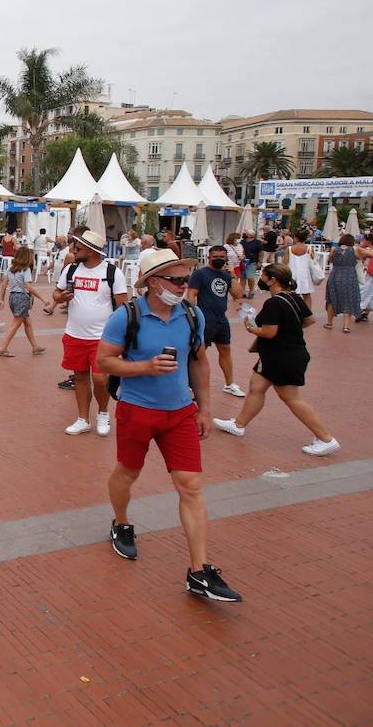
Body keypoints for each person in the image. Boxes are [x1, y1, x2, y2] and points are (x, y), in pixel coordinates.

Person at [97, 248, 240, 601]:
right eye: (174, 280)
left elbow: (200, 363)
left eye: (184, 279)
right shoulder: (125, 316)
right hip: (136, 410)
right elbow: (103, 362)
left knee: (190, 485)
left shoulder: (192, 315)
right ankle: (121, 521)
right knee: (127, 473)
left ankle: (199, 571)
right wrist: (144, 367)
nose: (182, 286)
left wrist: (204, 408)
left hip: (180, 413)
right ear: (151, 282)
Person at [211, 263, 338, 456]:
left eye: (263, 276)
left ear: (272, 280)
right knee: (257, 386)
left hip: (283, 356)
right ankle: (239, 424)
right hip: (280, 354)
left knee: (291, 398)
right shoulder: (293, 297)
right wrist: (291, 329)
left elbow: (269, 332)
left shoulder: (274, 303)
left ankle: (325, 438)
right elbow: (310, 319)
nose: (261, 279)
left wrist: (251, 329)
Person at [55, 229, 128, 436]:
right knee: (79, 377)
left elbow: (123, 307)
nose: (73, 249)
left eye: (77, 246)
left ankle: (103, 414)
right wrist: (60, 298)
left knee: (100, 379)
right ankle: (82, 419)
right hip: (74, 333)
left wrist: (121, 337)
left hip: (102, 337)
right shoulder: (71, 269)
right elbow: (57, 293)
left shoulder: (112, 273)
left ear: (91, 250)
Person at [187, 245, 247, 399]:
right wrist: (193, 316)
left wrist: (232, 275)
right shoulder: (200, 274)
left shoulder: (226, 276)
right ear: (209, 257)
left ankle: (230, 383)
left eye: (222, 257)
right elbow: (191, 294)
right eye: (216, 257)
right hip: (205, 319)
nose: (219, 259)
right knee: (198, 353)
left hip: (221, 319)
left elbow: (238, 294)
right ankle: (189, 385)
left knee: (225, 349)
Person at [0, 246, 50, 357]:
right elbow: (29, 287)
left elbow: (4, 284)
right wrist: (43, 299)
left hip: (12, 297)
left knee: (27, 322)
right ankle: (2, 348)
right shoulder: (26, 269)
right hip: (22, 298)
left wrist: (2, 299)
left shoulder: (10, 268)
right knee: (15, 324)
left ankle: (35, 347)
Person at [324, 233, 361, 333]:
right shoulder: (355, 250)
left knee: (331, 299)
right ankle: (346, 326)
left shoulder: (333, 250)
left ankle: (329, 323)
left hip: (335, 275)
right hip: (350, 276)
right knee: (348, 300)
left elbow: (330, 260)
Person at [286, 229, 316, 308]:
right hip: (305, 274)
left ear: (296, 238)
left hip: (292, 274)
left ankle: (293, 311)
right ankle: (308, 313)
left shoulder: (289, 249)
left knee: (291, 295)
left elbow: (284, 263)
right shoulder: (309, 248)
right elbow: (314, 261)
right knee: (306, 295)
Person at [240, 231, 263, 297]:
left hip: (252, 261)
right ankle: (242, 291)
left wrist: (260, 261)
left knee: (250, 277)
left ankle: (251, 290)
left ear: (251, 235)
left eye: (247, 233)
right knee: (243, 277)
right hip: (242, 262)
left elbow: (261, 252)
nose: (246, 234)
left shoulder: (257, 242)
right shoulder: (242, 242)